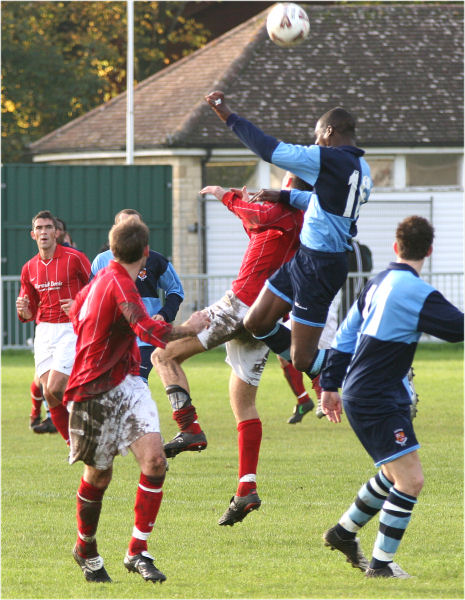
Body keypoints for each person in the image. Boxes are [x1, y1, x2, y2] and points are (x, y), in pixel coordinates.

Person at [63, 217, 210, 584]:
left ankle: (137, 551)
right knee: (99, 476)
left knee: (156, 461)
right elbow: (146, 328)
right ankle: (85, 547)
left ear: (111, 248)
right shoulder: (116, 283)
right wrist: (191, 327)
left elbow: (77, 313)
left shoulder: (108, 280)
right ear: (146, 252)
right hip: (93, 388)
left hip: (128, 381)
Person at [319, 216, 464, 578]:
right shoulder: (417, 292)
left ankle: (342, 533)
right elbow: (457, 328)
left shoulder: (376, 282)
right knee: (410, 480)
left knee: (392, 473)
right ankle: (381, 565)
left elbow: (345, 338)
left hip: (369, 392)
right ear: (429, 251)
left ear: (395, 247)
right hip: (376, 396)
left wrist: (330, 386)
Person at [152, 183, 303, 526]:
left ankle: (189, 427)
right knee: (243, 403)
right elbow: (254, 220)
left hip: (241, 305)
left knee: (163, 356)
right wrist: (243, 195)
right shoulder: (299, 221)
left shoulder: (285, 213)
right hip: (267, 317)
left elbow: (253, 212)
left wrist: (225, 194)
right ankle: (246, 488)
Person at [205, 91, 372, 390]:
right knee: (255, 323)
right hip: (308, 260)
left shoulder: (328, 158)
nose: (315, 143)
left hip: (320, 266)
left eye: (318, 137)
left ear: (329, 132)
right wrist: (284, 195)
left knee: (303, 360)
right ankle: (325, 367)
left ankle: (369, 366)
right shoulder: (362, 169)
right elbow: (325, 203)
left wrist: (227, 115)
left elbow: (269, 149)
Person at [16, 210, 91, 443]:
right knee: (48, 392)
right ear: (32, 234)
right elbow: (29, 307)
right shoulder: (29, 268)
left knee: (57, 386)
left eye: (48, 227)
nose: (43, 232)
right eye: (39, 228)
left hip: (70, 328)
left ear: (56, 232)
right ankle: (74, 444)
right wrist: (24, 310)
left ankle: (89, 420)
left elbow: (97, 287)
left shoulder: (74, 258)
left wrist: (79, 305)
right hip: (44, 331)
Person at [91, 208, 184, 383]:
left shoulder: (156, 260)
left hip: (144, 337)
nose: (130, 232)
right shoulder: (101, 261)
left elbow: (175, 291)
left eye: (135, 226)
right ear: (115, 230)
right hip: (113, 338)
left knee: (137, 380)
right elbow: (91, 297)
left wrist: (164, 314)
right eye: (125, 226)